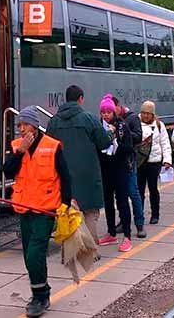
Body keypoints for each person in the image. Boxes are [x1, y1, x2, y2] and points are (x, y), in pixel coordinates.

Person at [3, 106, 72, 317]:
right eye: (19, 125)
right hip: (24, 208)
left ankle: (40, 297)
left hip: (46, 209)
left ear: (35, 125)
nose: (21, 129)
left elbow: (66, 177)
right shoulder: (17, 146)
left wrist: (65, 206)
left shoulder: (52, 146)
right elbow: (8, 171)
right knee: (28, 256)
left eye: (25, 125)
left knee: (34, 253)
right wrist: (20, 151)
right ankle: (41, 291)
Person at [46, 85, 111, 244]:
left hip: (63, 173)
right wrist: (109, 132)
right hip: (87, 172)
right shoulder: (89, 118)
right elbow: (104, 143)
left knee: (68, 210)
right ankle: (90, 247)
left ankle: (71, 247)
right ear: (80, 98)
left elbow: (48, 146)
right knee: (90, 211)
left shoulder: (54, 121)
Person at [96, 95, 133, 252]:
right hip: (105, 169)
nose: (106, 115)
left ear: (114, 112)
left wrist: (116, 139)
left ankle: (127, 235)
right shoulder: (98, 127)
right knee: (108, 201)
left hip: (120, 168)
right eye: (103, 112)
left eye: (108, 112)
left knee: (122, 201)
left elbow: (129, 148)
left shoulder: (121, 126)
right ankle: (111, 232)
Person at [113, 96, 146, 238]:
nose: (110, 113)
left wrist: (123, 131)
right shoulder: (111, 121)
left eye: (112, 110)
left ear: (118, 106)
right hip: (116, 163)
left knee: (133, 192)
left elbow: (139, 136)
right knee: (120, 195)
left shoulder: (132, 118)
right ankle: (123, 221)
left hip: (129, 162)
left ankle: (140, 224)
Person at [136, 101, 171, 225]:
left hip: (154, 161)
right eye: (143, 113)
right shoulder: (135, 123)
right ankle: (139, 214)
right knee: (139, 190)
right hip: (140, 161)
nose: (145, 116)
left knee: (153, 188)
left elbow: (165, 143)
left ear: (153, 114)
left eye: (148, 113)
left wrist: (167, 160)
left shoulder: (159, 125)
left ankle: (155, 214)